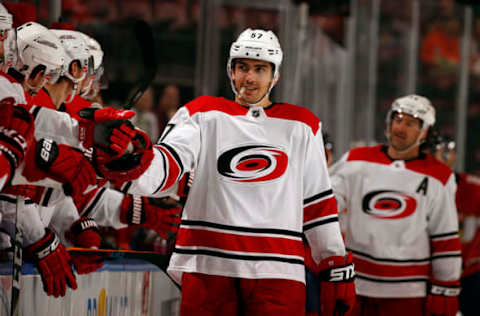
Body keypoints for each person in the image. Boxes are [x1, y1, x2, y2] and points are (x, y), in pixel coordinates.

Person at [112, 28, 356, 315]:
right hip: (208, 266)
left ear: (274, 75)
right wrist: (129, 159)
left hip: (277, 271)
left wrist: (332, 259)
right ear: (231, 70)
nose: (249, 78)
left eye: (259, 69)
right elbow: (165, 169)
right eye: (242, 67)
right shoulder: (201, 114)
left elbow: (317, 204)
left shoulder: (302, 125)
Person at [329, 95, 462, 316]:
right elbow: (325, 202)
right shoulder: (356, 160)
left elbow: (445, 237)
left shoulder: (440, 177)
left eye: (410, 123)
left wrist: (446, 287)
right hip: (355, 284)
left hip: (408, 292)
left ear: (424, 132)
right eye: (397, 119)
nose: (400, 127)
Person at [428, 133, 480, 316]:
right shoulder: (416, 187)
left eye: (445, 152)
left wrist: (473, 257)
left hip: (469, 273)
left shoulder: (474, 189)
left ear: (454, 155)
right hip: (426, 273)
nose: (439, 158)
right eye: (434, 152)